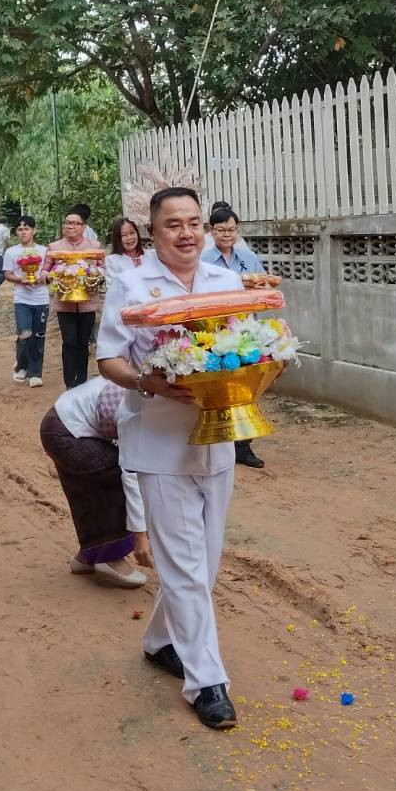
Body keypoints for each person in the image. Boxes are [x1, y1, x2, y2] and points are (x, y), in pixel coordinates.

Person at [97, 187, 247, 731]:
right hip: (158, 438)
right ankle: (207, 680)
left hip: (218, 434)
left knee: (203, 562)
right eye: (172, 225)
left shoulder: (225, 282)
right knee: (183, 563)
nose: (185, 233)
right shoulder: (131, 284)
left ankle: (161, 639)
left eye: (193, 223)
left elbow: (248, 341)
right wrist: (149, 382)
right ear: (152, 232)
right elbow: (109, 358)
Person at [39, 376, 150, 587]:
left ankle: (87, 556)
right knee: (116, 478)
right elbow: (131, 472)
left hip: (61, 423)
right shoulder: (132, 408)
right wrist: (140, 535)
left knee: (87, 490)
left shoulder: (139, 385)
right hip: (66, 433)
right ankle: (111, 557)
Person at [202, 206, 269, 469]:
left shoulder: (248, 258)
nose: (226, 234)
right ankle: (220, 442)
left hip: (245, 330)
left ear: (237, 231)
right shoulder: (203, 261)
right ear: (211, 231)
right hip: (215, 333)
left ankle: (243, 445)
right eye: (221, 230)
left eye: (231, 230)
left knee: (247, 387)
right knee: (219, 387)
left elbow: (263, 285)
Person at [45, 206, 103, 389]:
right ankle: (70, 383)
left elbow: (104, 268)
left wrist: (96, 275)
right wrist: (54, 276)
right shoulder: (54, 247)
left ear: (83, 227)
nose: (70, 226)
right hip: (64, 304)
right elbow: (43, 272)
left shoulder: (95, 247)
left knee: (83, 343)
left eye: (74, 223)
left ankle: (81, 382)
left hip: (87, 303)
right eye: (67, 223)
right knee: (69, 341)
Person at [2, 216, 49, 388]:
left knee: (39, 335)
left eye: (27, 228)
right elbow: (7, 274)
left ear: (34, 230)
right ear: (16, 232)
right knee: (25, 333)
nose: (24, 232)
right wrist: (21, 280)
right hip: (22, 299)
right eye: (20, 229)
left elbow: (50, 273)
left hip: (41, 299)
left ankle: (35, 373)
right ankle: (21, 364)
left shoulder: (44, 251)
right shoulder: (11, 252)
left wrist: (43, 279)